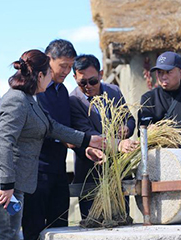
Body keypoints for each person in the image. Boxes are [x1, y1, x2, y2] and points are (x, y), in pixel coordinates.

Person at [0, 49, 102, 240]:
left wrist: (88, 139)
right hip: (2, 178)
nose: (53, 78)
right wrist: (7, 184)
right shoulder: (16, 100)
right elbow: (4, 142)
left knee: (12, 232)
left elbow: (52, 127)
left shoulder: (30, 99)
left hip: (15, 178)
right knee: (8, 233)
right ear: (41, 75)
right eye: (49, 74)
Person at [22, 39, 78, 240]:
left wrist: (82, 144)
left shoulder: (63, 92)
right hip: (36, 171)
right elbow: (49, 127)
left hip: (59, 170)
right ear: (48, 60)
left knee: (61, 227)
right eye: (63, 66)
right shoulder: (34, 91)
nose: (66, 71)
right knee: (33, 228)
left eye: (70, 67)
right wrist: (75, 139)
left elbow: (67, 128)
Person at [69, 54, 137, 218]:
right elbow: (88, 135)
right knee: (93, 224)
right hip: (91, 173)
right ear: (74, 78)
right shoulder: (73, 100)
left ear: (100, 74)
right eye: (82, 83)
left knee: (121, 220)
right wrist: (118, 143)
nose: (88, 86)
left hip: (119, 170)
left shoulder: (113, 91)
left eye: (92, 81)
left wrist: (127, 128)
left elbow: (129, 118)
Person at [138, 51, 181, 148]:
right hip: (160, 157)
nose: (163, 77)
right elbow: (142, 131)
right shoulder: (149, 99)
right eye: (160, 72)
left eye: (168, 72)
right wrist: (151, 130)